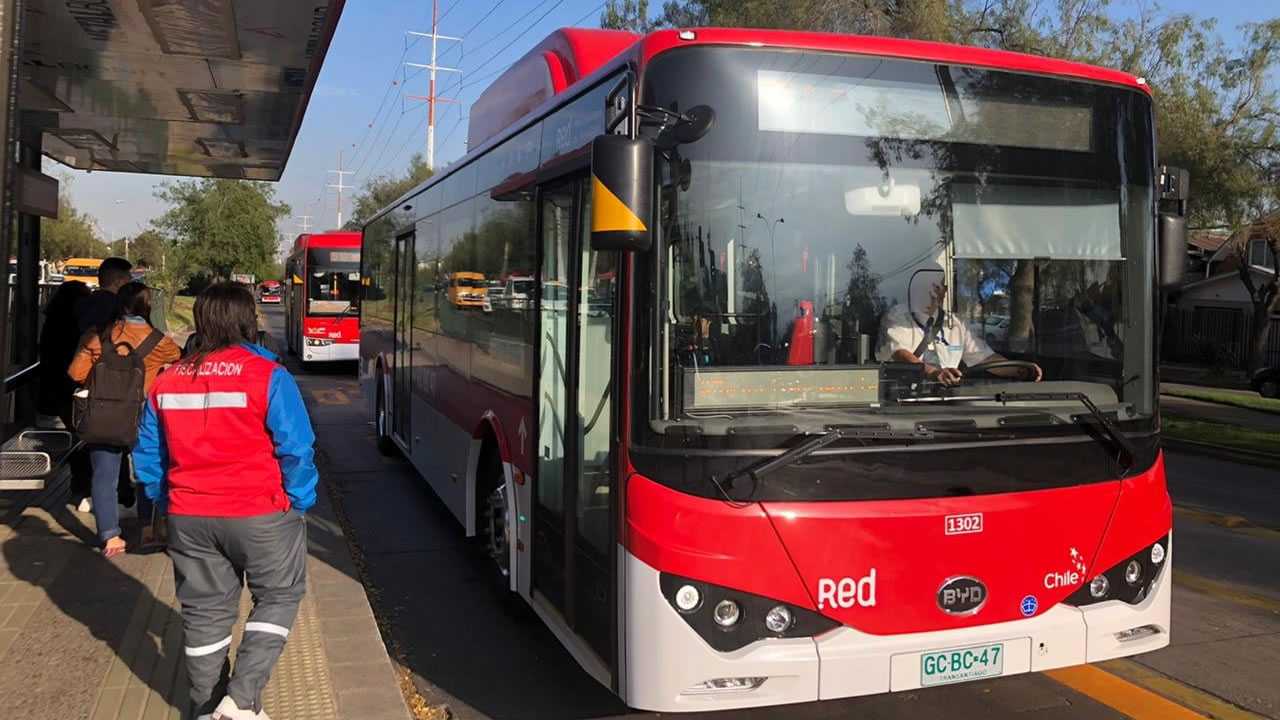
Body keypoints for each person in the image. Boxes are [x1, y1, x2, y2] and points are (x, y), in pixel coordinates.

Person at [133, 282, 318, 720]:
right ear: (247, 321)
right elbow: (297, 448)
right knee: (279, 596)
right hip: (261, 512)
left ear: (201, 322)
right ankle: (241, 701)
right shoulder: (269, 375)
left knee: (204, 614)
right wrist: (299, 501)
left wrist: (168, 501)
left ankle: (207, 707)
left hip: (189, 516)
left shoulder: (167, 380)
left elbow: (147, 454)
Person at [68, 282, 182, 557]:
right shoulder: (160, 342)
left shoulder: (97, 336)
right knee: (146, 471)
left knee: (104, 475)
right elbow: (178, 361)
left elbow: (75, 373)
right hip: (143, 415)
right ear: (147, 306)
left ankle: (110, 537)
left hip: (103, 415)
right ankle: (148, 530)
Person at [877, 268, 1042, 386]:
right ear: (914, 290)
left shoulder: (956, 324)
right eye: (924, 288)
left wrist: (1019, 369)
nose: (931, 294)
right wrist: (933, 373)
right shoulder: (897, 316)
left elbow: (985, 358)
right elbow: (900, 353)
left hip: (947, 400)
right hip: (902, 400)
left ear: (944, 291)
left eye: (936, 287)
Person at [37, 280, 93, 499]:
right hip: (74, 387)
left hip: (54, 387)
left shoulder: (51, 323)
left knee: (76, 434)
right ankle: (82, 484)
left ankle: (79, 484)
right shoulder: (79, 328)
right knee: (81, 435)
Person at [77, 256, 133, 335]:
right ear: (118, 282)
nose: (131, 285)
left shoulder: (82, 303)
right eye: (129, 279)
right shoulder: (118, 308)